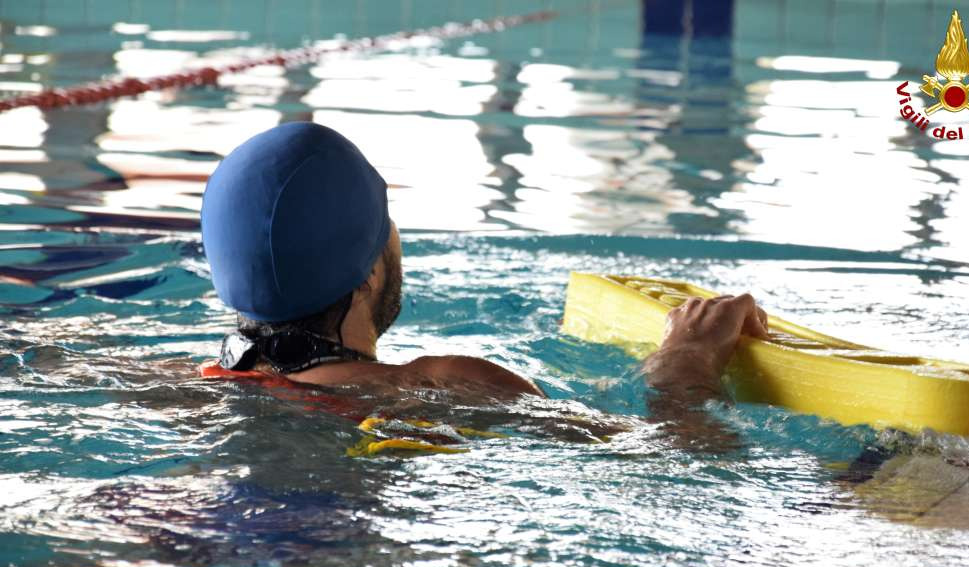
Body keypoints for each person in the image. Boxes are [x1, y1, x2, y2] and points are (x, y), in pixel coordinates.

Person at [200, 122, 768, 403]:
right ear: (369, 271)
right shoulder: (450, 387)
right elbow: (667, 464)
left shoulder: (197, 386)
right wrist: (688, 357)